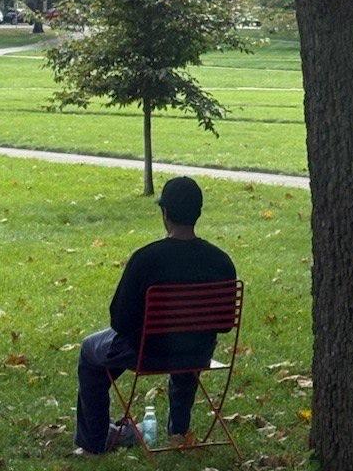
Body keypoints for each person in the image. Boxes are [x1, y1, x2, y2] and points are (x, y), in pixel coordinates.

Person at [74, 175, 236, 456]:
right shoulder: (221, 261)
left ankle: (95, 441)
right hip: (197, 353)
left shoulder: (146, 259)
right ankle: (178, 433)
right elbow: (223, 324)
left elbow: (120, 321)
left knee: (91, 351)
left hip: (146, 353)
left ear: (165, 213)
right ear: (198, 212)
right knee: (186, 351)